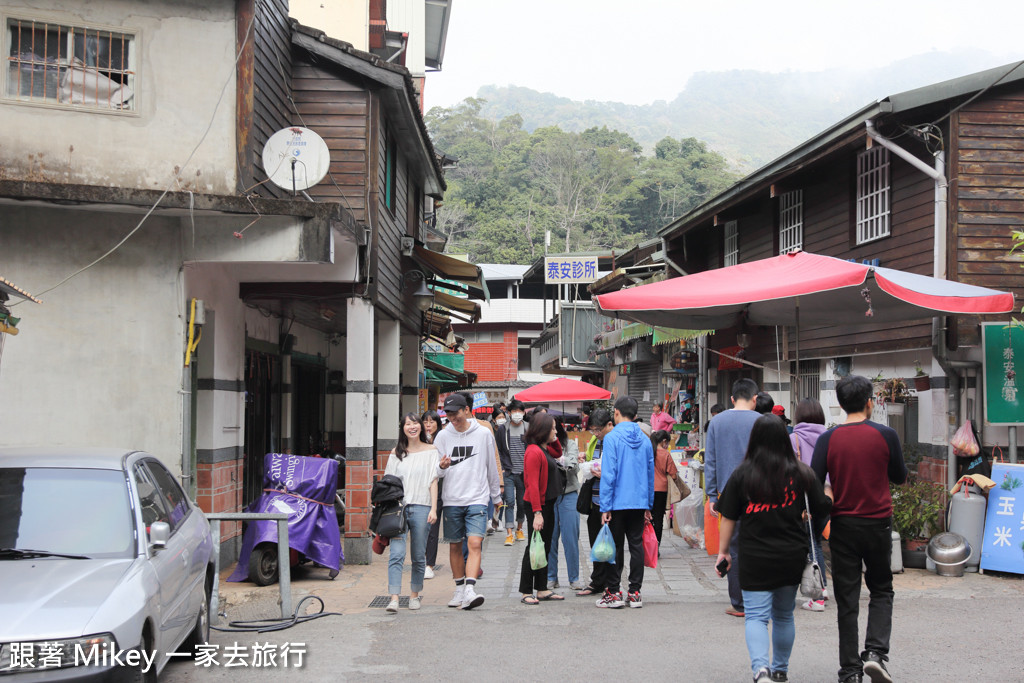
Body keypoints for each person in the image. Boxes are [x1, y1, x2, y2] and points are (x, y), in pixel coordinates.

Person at [716, 414, 833, 683]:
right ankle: (780, 670)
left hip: (754, 556)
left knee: (756, 617)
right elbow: (821, 508)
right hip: (791, 554)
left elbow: (729, 517)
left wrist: (724, 552)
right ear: (784, 439)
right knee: (783, 615)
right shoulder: (802, 474)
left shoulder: (742, 474)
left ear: (754, 440)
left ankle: (761, 670)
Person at [811, 376, 907, 683]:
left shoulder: (829, 439)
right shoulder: (886, 434)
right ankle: (876, 653)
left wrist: (824, 520)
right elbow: (900, 476)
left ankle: (850, 671)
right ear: (870, 402)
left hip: (843, 525)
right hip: (878, 523)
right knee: (881, 588)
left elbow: (814, 484)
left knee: (847, 598)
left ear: (839, 404)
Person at [434, 393, 502, 610]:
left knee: (474, 542)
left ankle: (470, 589)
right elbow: (434, 471)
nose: (453, 418)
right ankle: (459, 588)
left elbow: (492, 466)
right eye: (449, 415)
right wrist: (441, 467)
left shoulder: (483, 434)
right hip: (452, 499)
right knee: (455, 545)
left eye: (456, 414)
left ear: (466, 410)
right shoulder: (443, 436)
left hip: (477, 498)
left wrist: (496, 496)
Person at [706, 377, 760, 617]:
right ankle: (760, 598)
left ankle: (739, 602)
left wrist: (711, 494)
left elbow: (711, 460)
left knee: (732, 546)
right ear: (755, 399)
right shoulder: (762, 421)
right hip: (759, 491)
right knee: (758, 542)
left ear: (731, 398)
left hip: (727, 492)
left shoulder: (717, 422)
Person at [596, 395, 655, 609]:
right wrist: (649, 504)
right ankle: (635, 592)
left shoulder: (611, 439)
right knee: (636, 545)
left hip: (618, 501)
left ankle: (613, 592)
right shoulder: (645, 439)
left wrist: (605, 506)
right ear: (636, 415)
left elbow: (608, 474)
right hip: (639, 501)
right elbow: (650, 474)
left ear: (617, 413)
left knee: (615, 546)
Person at [383, 414, 439, 613]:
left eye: (416, 423)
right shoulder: (396, 453)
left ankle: (415, 594)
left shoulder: (432, 451)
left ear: (422, 427)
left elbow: (434, 480)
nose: (412, 426)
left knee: (418, 555)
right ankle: (394, 597)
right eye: (408, 423)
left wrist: (433, 508)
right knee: (396, 554)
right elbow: (388, 483)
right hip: (399, 508)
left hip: (422, 507)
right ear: (403, 428)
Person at [518, 412, 566, 604]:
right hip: (538, 506)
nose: (556, 431)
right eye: (552, 428)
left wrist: (553, 438)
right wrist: (537, 513)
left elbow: (558, 453)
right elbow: (532, 485)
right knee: (534, 546)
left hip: (548, 504)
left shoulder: (542, 448)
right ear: (543, 430)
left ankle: (542, 588)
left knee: (543, 546)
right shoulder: (533, 451)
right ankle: (526, 591)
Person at [789, 398, 830, 612]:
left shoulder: (793, 439)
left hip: (802, 500)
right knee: (818, 543)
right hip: (825, 497)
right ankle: (822, 587)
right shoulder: (829, 437)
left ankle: (817, 589)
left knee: (809, 543)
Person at [576, 408, 614, 597]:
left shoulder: (614, 440)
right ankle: (598, 581)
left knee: (609, 543)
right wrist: (585, 459)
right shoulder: (595, 440)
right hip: (594, 499)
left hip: (610, 501)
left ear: (610, 424)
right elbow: (595, 461)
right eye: (593, 430)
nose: (596, 434)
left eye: (598, 430)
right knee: (596, 543)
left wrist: (604, 473)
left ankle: (610, 583)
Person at [547, 418, 582, 590]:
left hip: (568, 495)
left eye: (554, 428)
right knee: (550, 538)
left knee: (571, 538)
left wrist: (560, 458)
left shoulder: (569, 444)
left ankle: (574, 578)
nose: (552, 431)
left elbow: (574, 466)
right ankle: (551, 577)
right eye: (549, 428)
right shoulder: (541, 446)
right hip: (550, 497)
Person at [496, 399, 529, 546]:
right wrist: (502, 468)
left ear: (523, 412)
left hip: (524, 473)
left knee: (522, 503)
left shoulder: (528, 428)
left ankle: (519, 528)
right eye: (514, 411)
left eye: (520, 411)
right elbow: (498, 450)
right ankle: (509, 532)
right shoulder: (503, 429)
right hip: (509, 472)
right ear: (508, 413)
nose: (517, 414)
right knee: (509, 502)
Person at [649, 429, 682, 548]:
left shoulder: (648, 451)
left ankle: (647, 545)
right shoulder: (665, 454)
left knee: (646, 518)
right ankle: (656, 547)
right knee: (658, 519)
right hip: (661, 490)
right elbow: (673, 475)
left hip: (647, 489)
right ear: (664, 441)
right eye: (667, 443)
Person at [422, 410, 443, 579]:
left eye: (432, 421)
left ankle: (429, 563)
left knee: (433, 527)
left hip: (439, 489)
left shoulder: (442, 440)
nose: (429, 425)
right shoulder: (418, 441)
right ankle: (421, 561)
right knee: (422, 527)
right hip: (421, 489)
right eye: (426, 422)